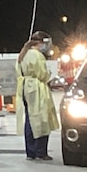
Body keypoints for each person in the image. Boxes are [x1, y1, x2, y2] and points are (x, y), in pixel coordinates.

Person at [15, 31, 60, 161]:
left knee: (30, 118)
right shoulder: (37, 55)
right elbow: (42, 74)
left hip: (25, 87)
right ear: (40, 43)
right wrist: (48, 75)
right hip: (36, 87)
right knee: (41, 119)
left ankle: (31, 151)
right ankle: (41, 151)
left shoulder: (23, 54)